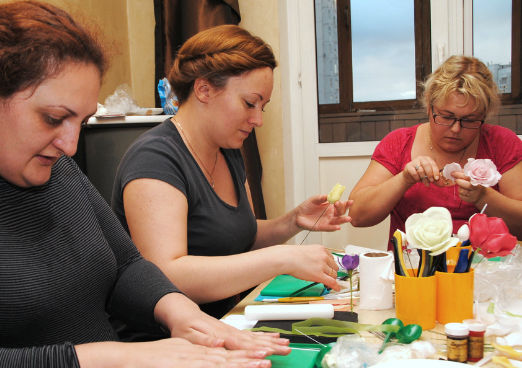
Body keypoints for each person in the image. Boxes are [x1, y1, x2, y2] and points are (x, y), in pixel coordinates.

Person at [0, 1, 292, 368]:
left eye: (80, 122)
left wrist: (180, 312)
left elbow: (125, 266)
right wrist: (123, 362)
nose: (70, 145)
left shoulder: (55, 166)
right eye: (53, 118)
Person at [111, 25, 352, 320]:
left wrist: (293, 221)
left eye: (263, 107)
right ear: (204, 90)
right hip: (165, 337)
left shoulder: (227, 151)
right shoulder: (155, 160)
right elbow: (165, 275)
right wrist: (282, 258)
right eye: (250, 103)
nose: (258, 119)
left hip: (224, 322)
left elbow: (238, 237)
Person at [349, 55, 522, 248]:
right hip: (414, 266)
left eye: (470, 120)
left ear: (484, 114)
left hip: (484, 265)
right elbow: (356, 216)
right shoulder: (400, 143)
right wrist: (404, 179)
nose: (456, 129)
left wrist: (484, 198)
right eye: (446, 117)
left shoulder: (501, 143)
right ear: (429, 106)